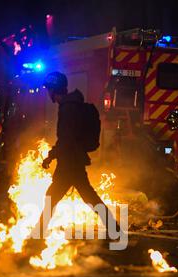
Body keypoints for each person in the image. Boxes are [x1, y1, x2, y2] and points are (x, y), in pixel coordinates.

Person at [34, 71, 120, 239]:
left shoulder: (68, 109)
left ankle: (37, 234)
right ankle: (115, 229)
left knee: (54, 197)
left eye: (48, 89)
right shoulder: (72, 105)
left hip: (69, 163)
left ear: (53, 89)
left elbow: (66, 138)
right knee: (88, 197)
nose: (48, 93)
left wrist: (51, 156)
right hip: (74, 161)